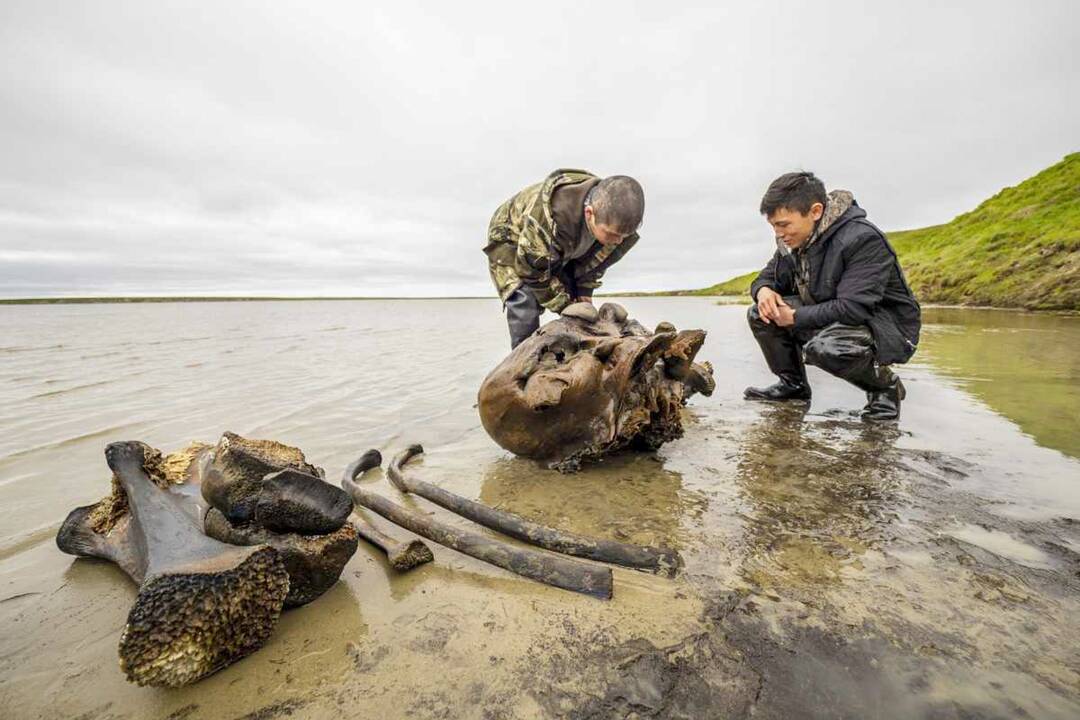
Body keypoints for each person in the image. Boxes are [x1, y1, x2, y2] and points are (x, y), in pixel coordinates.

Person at [744, 171, 921, 420]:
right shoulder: (792, 242)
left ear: (815, 212)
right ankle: (793, 386)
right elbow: (767, 278)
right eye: (774, 226)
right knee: (760, 313)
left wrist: (794, 316)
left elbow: (853, 308)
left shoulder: (863, 238)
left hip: (885, 328)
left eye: (783, 224)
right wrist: (763, 291)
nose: (779, 233)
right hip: (831, 314)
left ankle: (885, 388)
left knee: (828, 348)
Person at [484, 169, 644, 348]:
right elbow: (531, 272)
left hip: (559, 245)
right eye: (612, 234)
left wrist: (584, 292)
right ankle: (524, 360)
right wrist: (563, 306)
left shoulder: (614, 224)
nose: (618, 241)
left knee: (577, 300)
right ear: (590, 213)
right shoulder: (551, 218)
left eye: (623, 236)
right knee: (525, 300)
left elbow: (593, 262)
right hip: (511, 238)